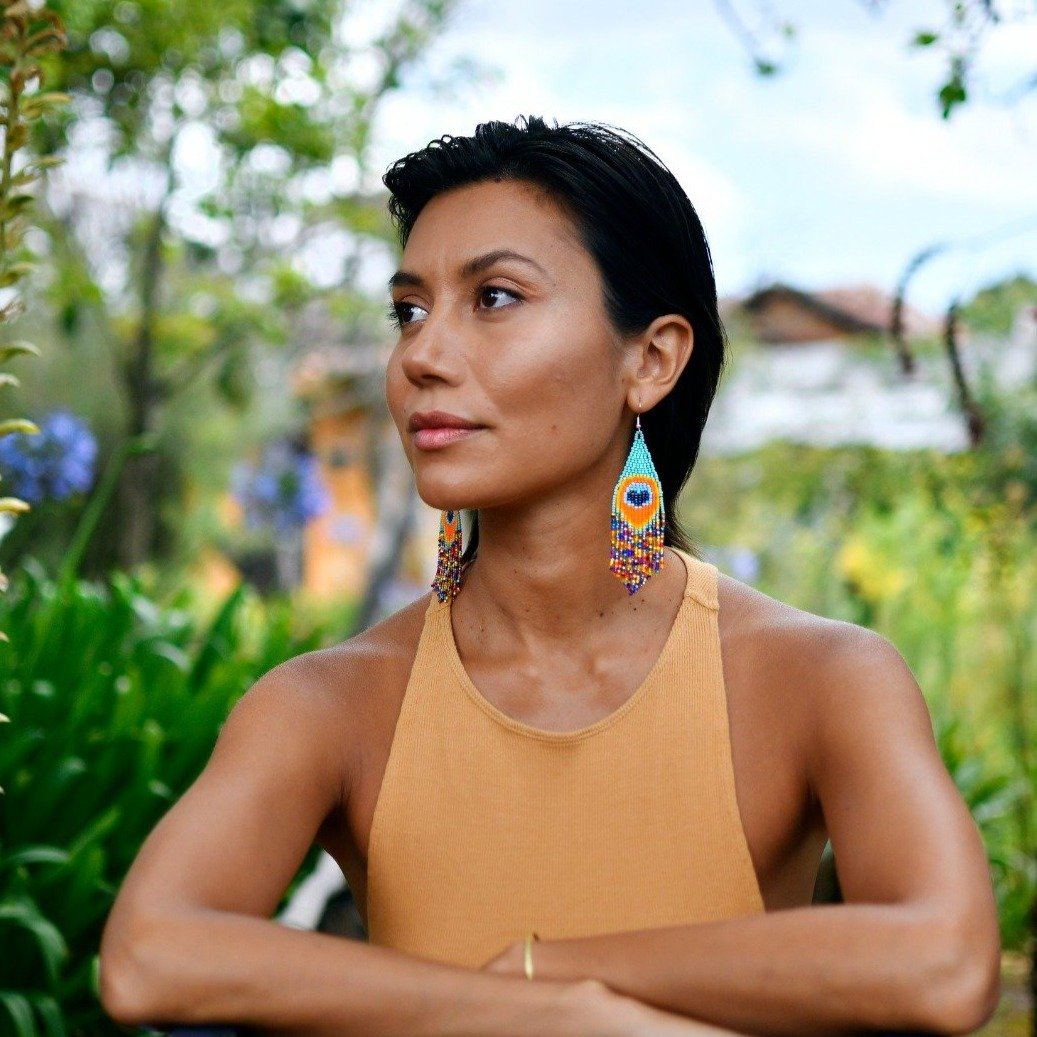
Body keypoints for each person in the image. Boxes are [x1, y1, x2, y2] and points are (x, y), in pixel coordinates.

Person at [98, 115, 1001, 1036]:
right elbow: (149, 955)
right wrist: (542, 1013)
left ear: (649, 359)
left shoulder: (815, 679)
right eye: (409, 310)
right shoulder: (333, 704)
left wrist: (556, 970)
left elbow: (944, 962)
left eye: (491, 298)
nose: (421, 355)